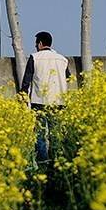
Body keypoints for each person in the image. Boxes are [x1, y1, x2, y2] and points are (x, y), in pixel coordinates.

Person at [19, 31, 71, 162]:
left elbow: (27, 80)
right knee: (56, 133)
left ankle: (42, 162)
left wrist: (23, 97)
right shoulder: (62, 59)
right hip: (58, 102)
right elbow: (69, 78)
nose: (36, 46)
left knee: (40, 134)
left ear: (40, 44)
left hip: (39, 101)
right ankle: (56, 161)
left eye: (36, 44)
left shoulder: (34, 57)